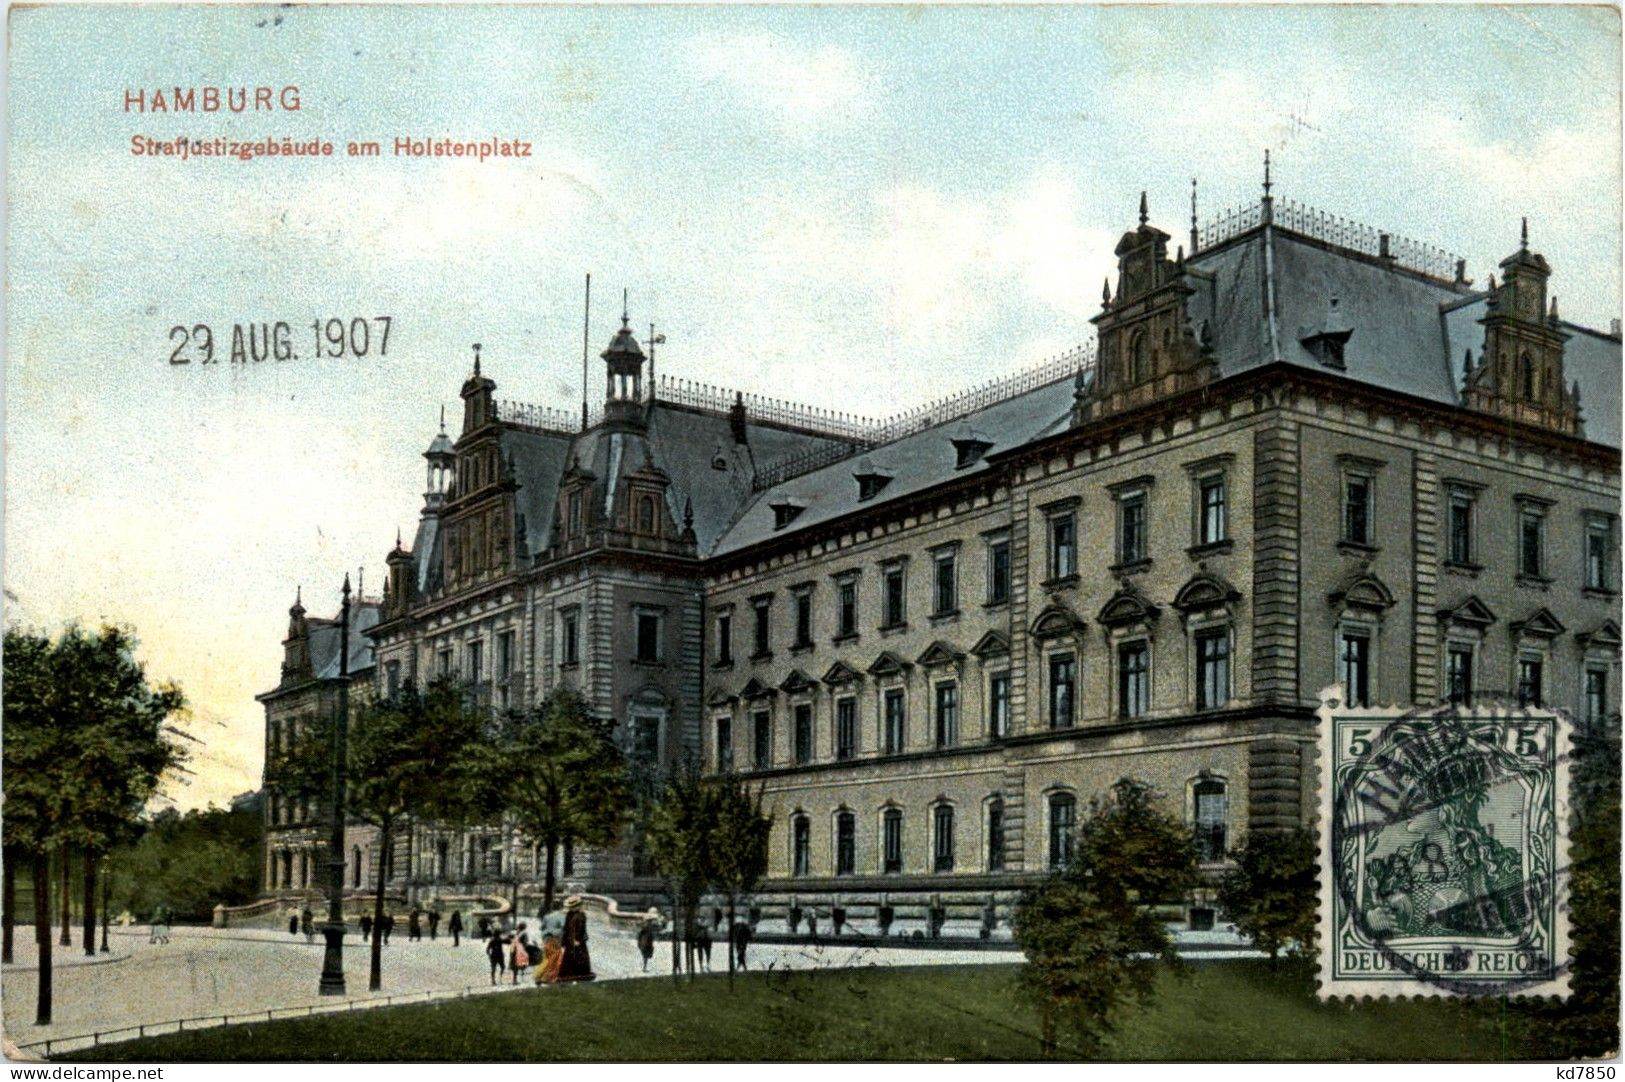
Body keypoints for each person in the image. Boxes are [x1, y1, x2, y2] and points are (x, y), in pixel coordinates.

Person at [556, 895, 595, 983]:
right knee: (568, 958)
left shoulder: (581, 915)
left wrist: (578, 939)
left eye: (573, 907)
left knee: (579, 957)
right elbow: (566, 928)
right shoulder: (569, 915)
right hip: (569, 940)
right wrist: (563, 941)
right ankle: (567, 975)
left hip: (578, 941)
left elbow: (581, 929)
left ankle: (580, 974)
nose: (571, 908)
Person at [535, 906, 565, 985]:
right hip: (555, 939)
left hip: (546, 939)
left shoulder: (546, 917)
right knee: (555, 958)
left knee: (547, 957)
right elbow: (563, 928)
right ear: (561, 908)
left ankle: (539, 976)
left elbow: (541, 928)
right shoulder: (562, 916)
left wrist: (548, 929)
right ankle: (547, 977)